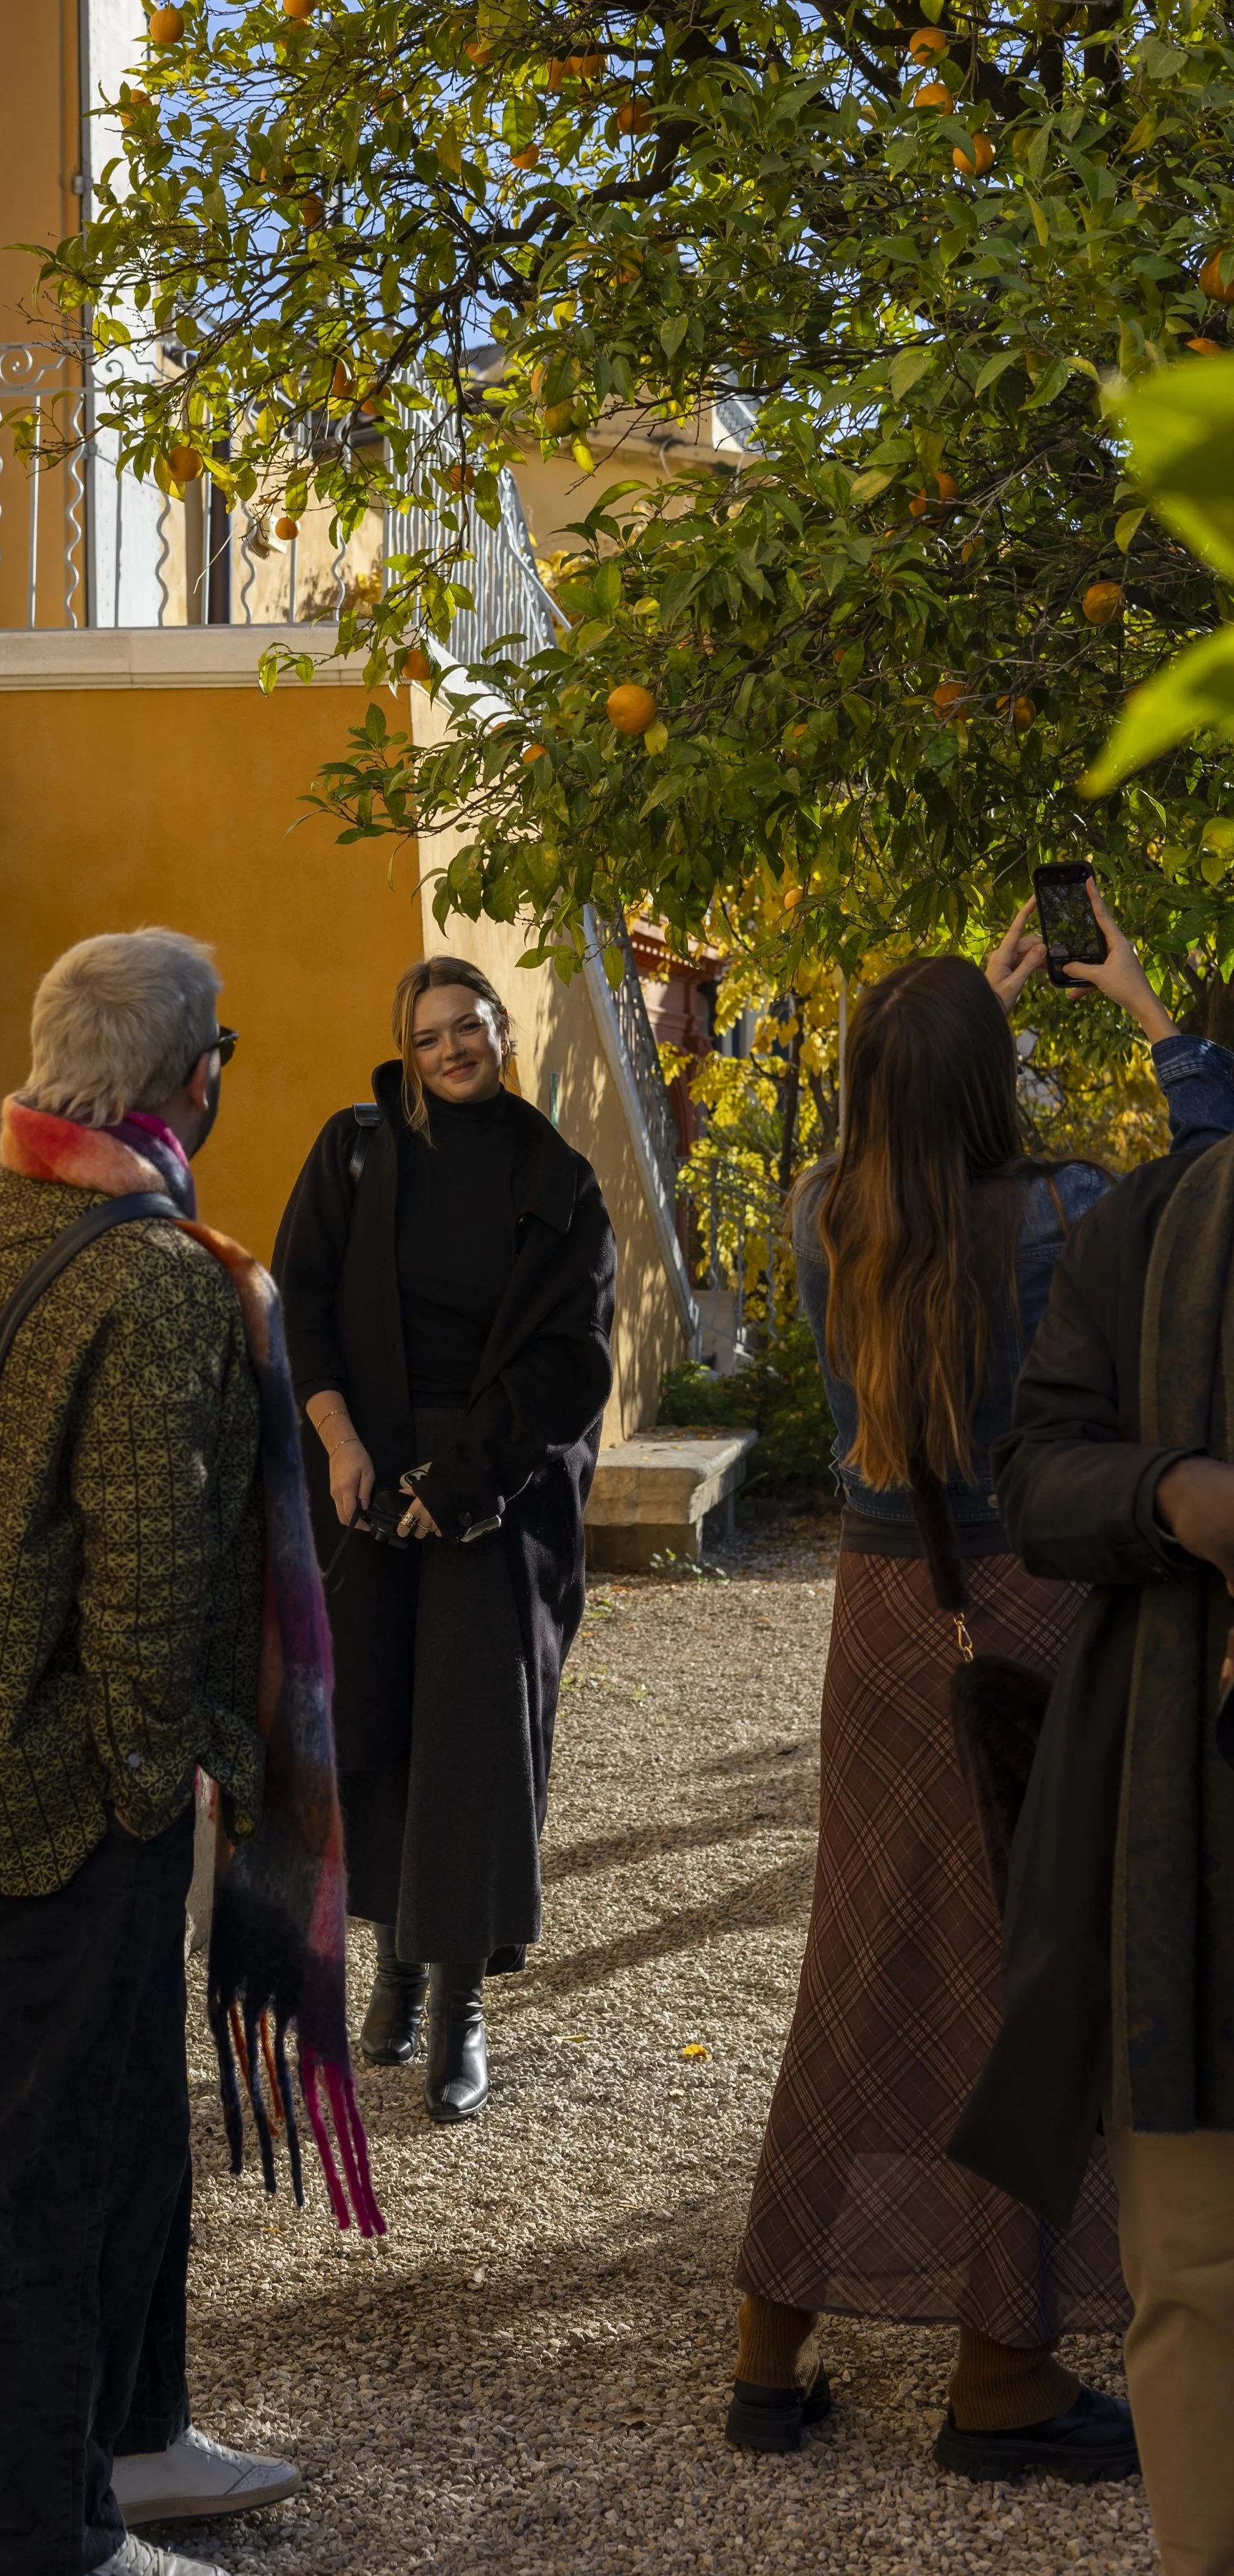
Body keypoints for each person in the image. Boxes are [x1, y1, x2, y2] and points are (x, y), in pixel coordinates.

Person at [726, 887, 1234, 2481]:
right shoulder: (1071, 1211)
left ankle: (769, 2342)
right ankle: (1003, 2374)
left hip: (884, 1620)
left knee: (865, 1969)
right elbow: (1211, 1193)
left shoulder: (825, 1214)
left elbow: (916, 1113)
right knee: (1026, 1984)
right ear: (987, 1080)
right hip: (1027, 1611)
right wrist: (1156, 1022)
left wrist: (963, 1006)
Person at [0, 929, 300, 2576]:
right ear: (194, 1077)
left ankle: (132, 2441)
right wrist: (163, 1780)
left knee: (118, 2118)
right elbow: (148, 1576)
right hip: (79, 1787)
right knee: (47, 2162)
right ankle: (25, 2534)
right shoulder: (147, 1273)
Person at [954, 1113, 1234, 2572]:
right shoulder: (1151, 1224)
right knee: (1194, 2270)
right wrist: (1175, 1494)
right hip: (1186, 1821)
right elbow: (1038, 1472)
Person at [273, 956, 616, 2122]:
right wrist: (338, 1442)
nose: (452, 1050)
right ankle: (400, 1965)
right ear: (405, 1049)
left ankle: (460, 1999)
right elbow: (303, 1303)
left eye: (469, 1027)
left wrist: (461, 1485)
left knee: (471, 1735)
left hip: (498, 1486)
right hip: (366, 1471)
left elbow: (573, 1359)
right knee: (378, 1720)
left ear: (503, 1031)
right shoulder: (356, 1152)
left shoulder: (557, 1180)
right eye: (428, 1037)